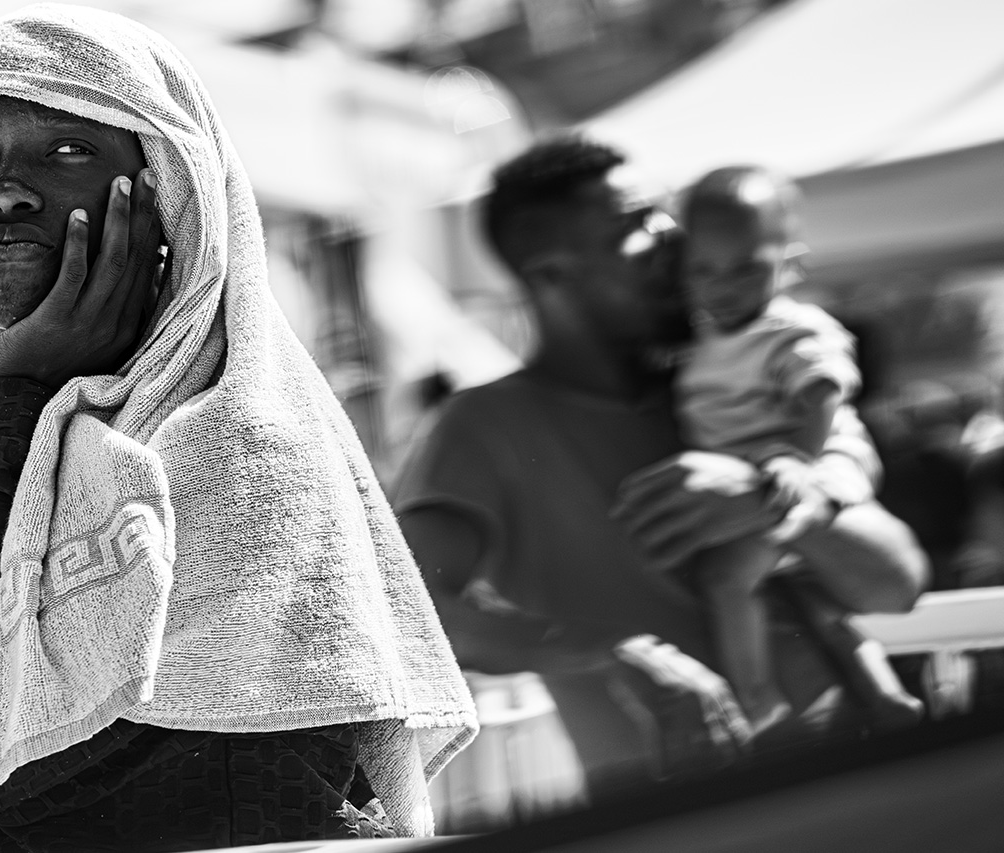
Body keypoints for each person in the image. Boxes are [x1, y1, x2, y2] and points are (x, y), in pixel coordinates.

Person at [0, 6, 476, 851]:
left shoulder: (235, 450)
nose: (2, 191)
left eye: (67, 150)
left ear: (169, 191)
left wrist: (2, 386)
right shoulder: (62, 439)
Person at [394, 135, 928, 798]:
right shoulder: (482, 426)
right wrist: (611, 650)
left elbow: (898, 584)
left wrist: (766, 497)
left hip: (879, 789)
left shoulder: (728, 388)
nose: (676, 237)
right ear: (550, 274)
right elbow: (404, 616)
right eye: (639, 221)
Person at [674, 165, 923, 734]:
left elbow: (821, 394)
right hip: (769, 476)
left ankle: (755, 698)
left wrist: (795, 459)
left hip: (813, 467)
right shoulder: (703, 337)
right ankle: (885, 694)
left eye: (746, 268)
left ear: (791, 264)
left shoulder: (793, 328)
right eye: (703, 270)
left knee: (725, 579)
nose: (723, 286)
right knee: (812, 597)